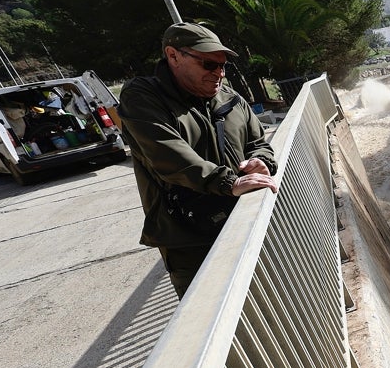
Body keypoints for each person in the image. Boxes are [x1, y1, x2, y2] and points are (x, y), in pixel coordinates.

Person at [119, 22, 278, 297]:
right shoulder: (142, 97)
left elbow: (258, 143)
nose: (218, 73)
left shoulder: (231, 99)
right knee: (210, 320)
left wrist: (261, 162)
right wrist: (229, 182)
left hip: (245, 223)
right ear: (173, 56)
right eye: (208, 64)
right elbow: (169, 157)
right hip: (191, 239)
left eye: (222, 66)